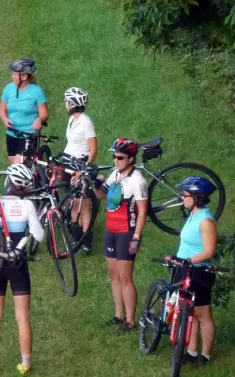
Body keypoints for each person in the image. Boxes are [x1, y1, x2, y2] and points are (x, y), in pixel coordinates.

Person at [0, 164, 44, 375]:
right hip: (17, 263)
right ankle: (25, 364)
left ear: (8, 182)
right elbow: (39, 236)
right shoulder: (27, 205)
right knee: (22, 316)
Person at [93, 138, 148, 333]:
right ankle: (118, 315)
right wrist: (95, 183)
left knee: (125, 277)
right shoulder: (115, 174)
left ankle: (131, 321)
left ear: (131, 159)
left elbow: (142, 211)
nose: (115, 160)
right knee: (113, 274)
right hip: (111, 229)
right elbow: (102, 196)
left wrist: (137, 236)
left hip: (127, 231)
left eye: (120, 157)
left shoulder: (137, 180)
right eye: (114, 157)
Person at [169, 176, 218, 366]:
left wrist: (187, 260)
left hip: (199, 271)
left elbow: (209, 251)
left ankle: (204, 356)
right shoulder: (193, 215)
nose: (182, 198)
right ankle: (191, 350)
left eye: (185, 195)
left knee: (203, 314)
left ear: (197, 197)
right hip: (185, 269)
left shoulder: (206, 221)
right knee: (190, 312)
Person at [62, 87, 98, 254]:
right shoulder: (72, 120)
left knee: (83, 206)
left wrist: (84, 170)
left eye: (67, 101)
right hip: (68, 165)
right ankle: (76, 239)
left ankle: (86, 242)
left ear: (74, 103)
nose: (65, 103)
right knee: (72, 203)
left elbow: (93, 149)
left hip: (78, 167)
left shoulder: (86, 122)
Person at [0, 58, 49, 164]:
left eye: (15, 75)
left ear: (24, 76)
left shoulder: (36, 91)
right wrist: (4, 119)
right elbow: (1, 109)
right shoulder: (9, 88)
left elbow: (45, 114)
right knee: (14, 166)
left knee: (18, 163)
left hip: (28, 134)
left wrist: (39, 119)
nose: (12, 77)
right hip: (12, 133)